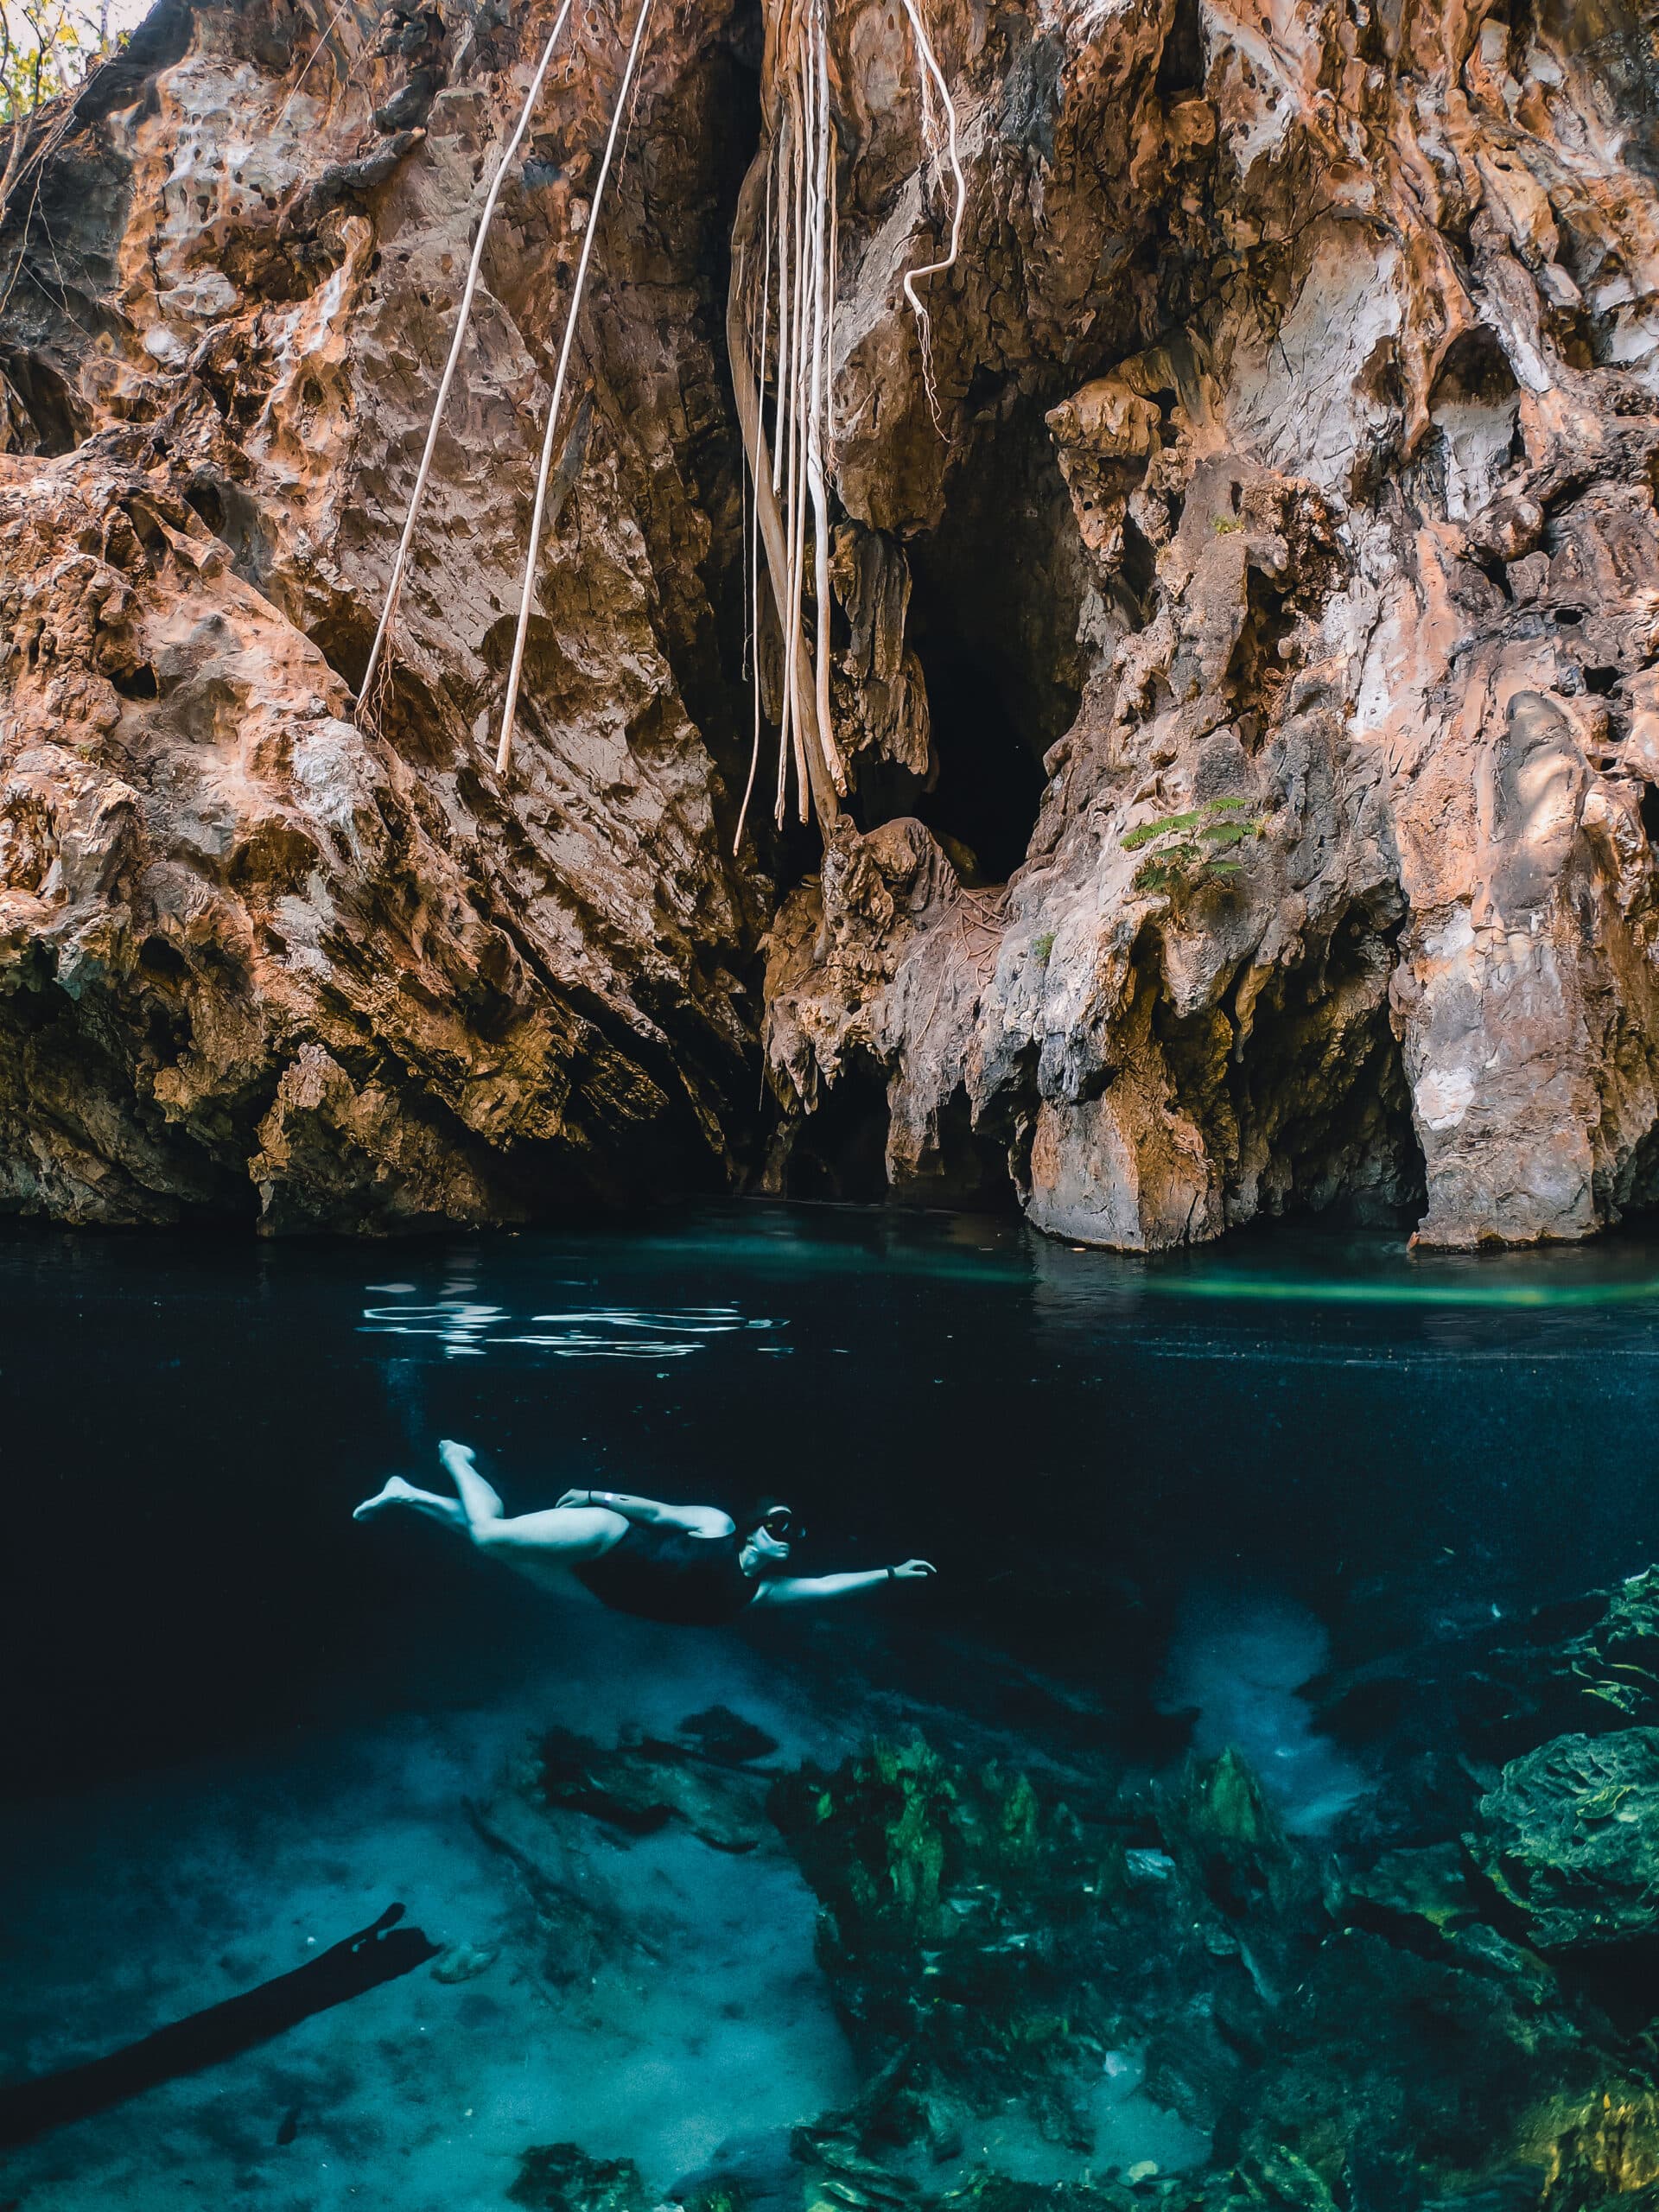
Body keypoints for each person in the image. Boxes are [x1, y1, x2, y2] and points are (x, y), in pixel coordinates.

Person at [353, 1440, 937, 1627]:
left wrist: (889, 1573)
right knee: (490, 1535)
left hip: (602, 1593)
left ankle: (408, 1494)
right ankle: (456, 1456)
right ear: (759, 1525)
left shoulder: (759, 1596)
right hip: (606, 1538)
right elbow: (655, 1513)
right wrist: (593, 1495)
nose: (787, 1534)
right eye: (779, 1522)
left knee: (499, 1550)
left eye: (795, 1531)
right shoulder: (718, 1525)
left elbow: (830, 1586)